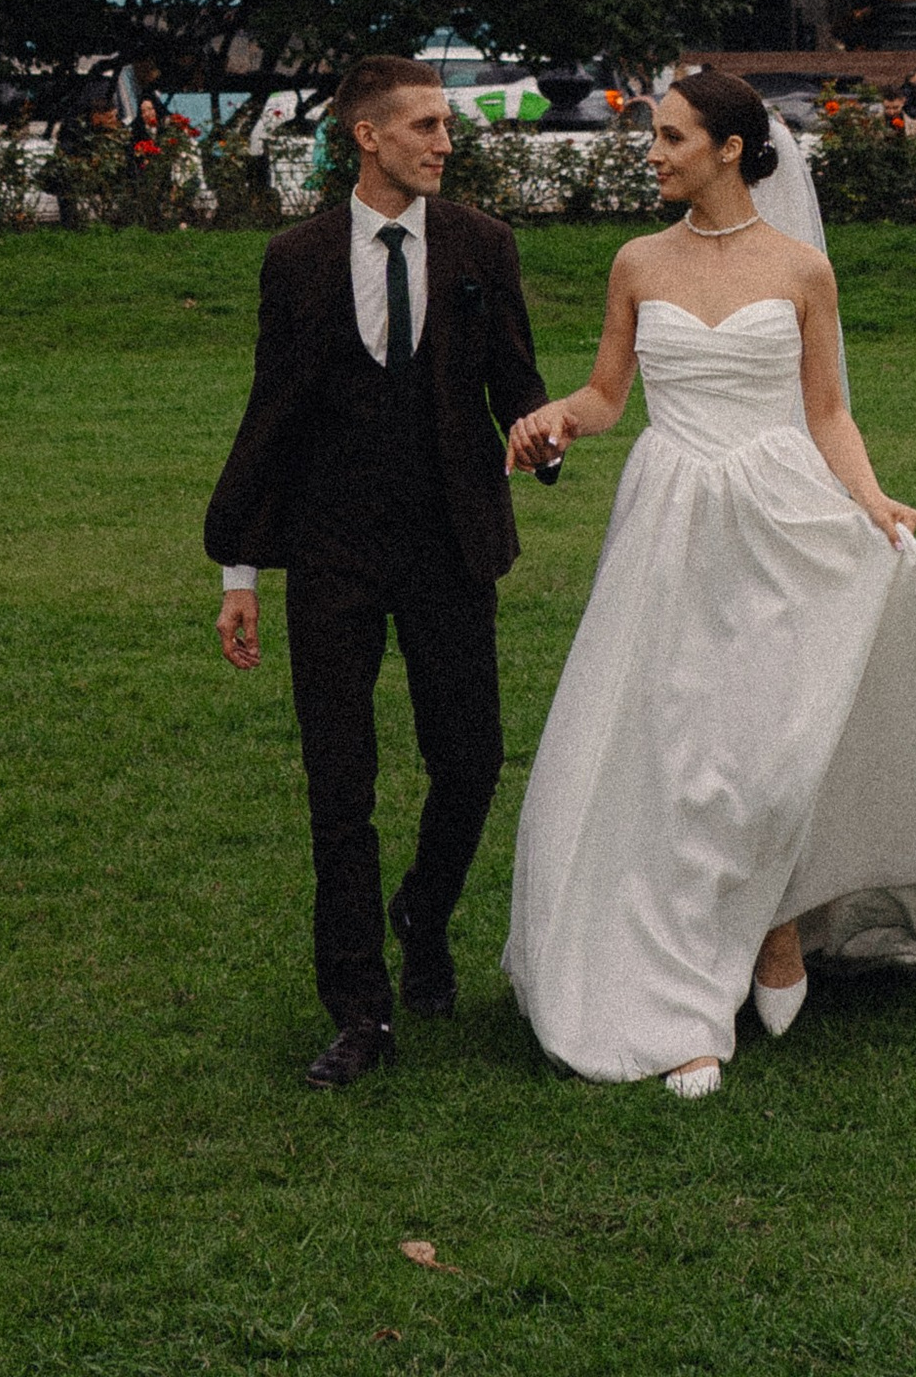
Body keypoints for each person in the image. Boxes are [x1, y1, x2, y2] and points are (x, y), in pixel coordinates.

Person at [503, 66, 916, 1094]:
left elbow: (826, 411)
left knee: (769, 741)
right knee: (675, 743)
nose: (651, 153)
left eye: (669, 137)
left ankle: (778, 924)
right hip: (669, 516)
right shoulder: (636, 262)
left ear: (729, 148)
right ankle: (681, 989)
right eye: (652, 137)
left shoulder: (799, 272)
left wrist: (873, 502)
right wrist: (555, 417)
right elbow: (611, 396)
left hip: (777, 512)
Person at [205, 53, 549, 1090]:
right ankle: (359, 1007)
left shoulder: (484, 245)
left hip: (450, 546)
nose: (446, 143)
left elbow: (519, 384)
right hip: (332, 550)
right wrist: (239, 573)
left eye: (446, 128)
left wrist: (546, 440)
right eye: (426, 127)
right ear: (367, 136)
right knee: (337, 784)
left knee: (472, 760)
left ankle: (424, 914)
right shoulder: (297, 258)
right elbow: (271, 417)